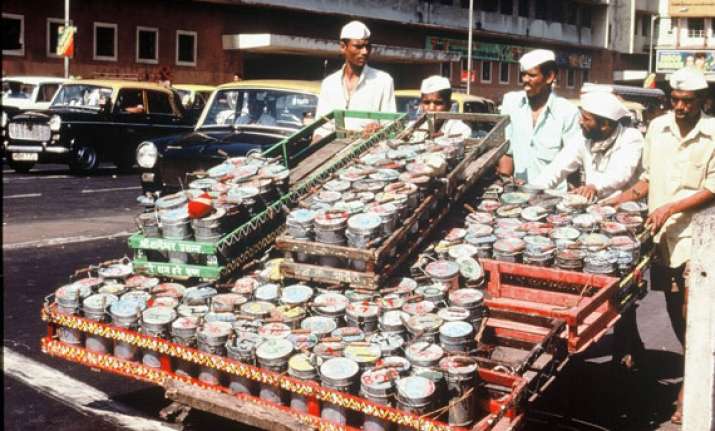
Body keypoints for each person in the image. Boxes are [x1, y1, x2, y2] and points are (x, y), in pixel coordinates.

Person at [604, 67, 715, 425]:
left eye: (688, 101)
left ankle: (693, 388)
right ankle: (697, 368)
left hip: (696, 238)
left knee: (691, 313)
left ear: (703, 102)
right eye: (676, 100)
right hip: (662, 239)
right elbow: (648, 180)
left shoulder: (713, 135)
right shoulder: (657, 128)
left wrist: (671, 207)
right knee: (672, 309)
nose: (680, 107)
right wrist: (617, 200)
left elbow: (713, 188)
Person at [530, 90, 644, 201]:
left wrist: (594, 187)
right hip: (593, 206)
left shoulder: (631, 137)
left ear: (604, 125)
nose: (580, 122)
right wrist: (533, 190)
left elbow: (620, 174)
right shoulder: (583, 137)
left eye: (586, 119)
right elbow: (558, 167)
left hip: (624, 208)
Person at [497, 49, 582, 190]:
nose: (525, 80)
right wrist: (506, 184)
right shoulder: (511, 102)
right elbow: (507, 151)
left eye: (531, 75)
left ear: (549, 77)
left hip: (553, 197)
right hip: (519, 194)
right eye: (523, 75)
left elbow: (573, 162)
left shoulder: (568, 112)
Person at [313, 20, 396, 141]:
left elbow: (391, 126)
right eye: (358, 46)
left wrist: (379, 129)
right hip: (335, 154)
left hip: (369, 154)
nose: (364, 52)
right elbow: (322, 128)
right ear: (343, 47)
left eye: (367, 46)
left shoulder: (383, 81)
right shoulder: (329, 83)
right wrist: (316, 144)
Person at [408, 75, 471, 141]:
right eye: (426, 102)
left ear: (449, 105)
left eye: (438, 103)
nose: (431, 108)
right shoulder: (413, 128)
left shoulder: (461, 130)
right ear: (421, 105)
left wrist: (441, 140)